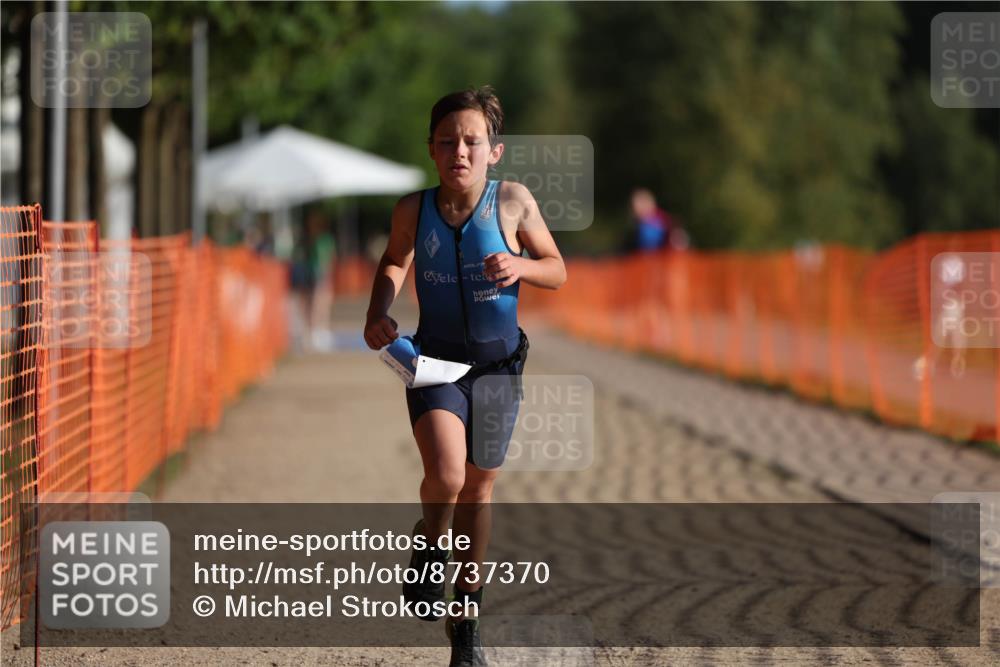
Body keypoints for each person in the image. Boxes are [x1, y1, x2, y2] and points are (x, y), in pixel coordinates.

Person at [363, 86, 566, 666]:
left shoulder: (514, 203)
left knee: (479, 490)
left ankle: (467, 628)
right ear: (431, 149)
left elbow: (557, 269)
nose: (460, 151)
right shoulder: (413, 209)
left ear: (493, 151)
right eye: (448, 141)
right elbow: (395, 260)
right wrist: (380, 310)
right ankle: (428, 549)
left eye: (471, 141)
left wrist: (521, 264)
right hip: (433, 363)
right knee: (448, 475)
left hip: (501, 366)